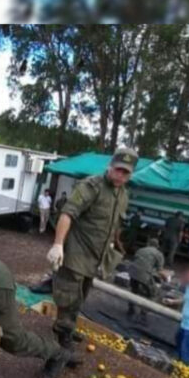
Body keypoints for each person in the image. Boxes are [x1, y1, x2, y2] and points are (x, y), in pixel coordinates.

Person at [46, 148, 135, 352]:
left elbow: (114, 225)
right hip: (76, 253)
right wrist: (58, 244)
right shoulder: (92, 186)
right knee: (68, 296)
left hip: (96, 258)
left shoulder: (123, 195)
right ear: (110, 167)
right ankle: (61, 338)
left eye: (126, 173)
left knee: (81, 296)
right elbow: (67, 214)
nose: (121, 175)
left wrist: (114, 246)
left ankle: (67, 328)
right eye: (119, 170)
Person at [127, 238, 166, 317]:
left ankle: (131, 308)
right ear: (157, 246)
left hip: (132, 272)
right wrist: (165, 277)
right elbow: (160, 270)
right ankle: (144, 312)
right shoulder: (158, 254)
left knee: (134, 290)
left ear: (148, 243)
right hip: (144, 274)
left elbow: (136, 260)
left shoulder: (141, 250)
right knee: (152, 293)